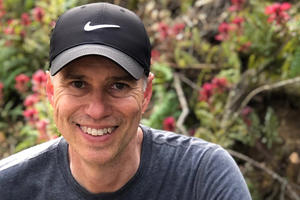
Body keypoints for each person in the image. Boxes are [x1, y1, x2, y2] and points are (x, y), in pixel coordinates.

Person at [0, 2, 252, 199]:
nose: (97, 110)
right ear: (51, 91)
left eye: (118, 86)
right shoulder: (8, 185)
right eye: (78, 85)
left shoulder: (202, 176)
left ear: (146, 93)